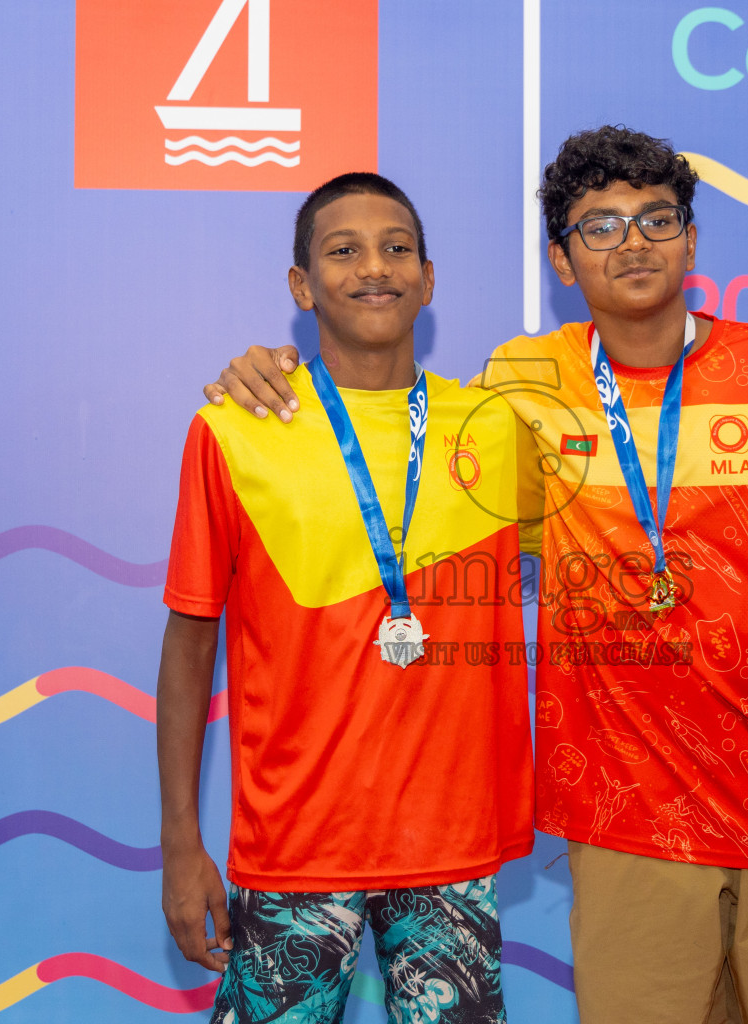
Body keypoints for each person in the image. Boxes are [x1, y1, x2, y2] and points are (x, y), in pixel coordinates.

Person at [208, 127, 748, 1024]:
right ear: (562, 262)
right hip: (627, 828)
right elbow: (387, 422)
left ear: (692, 239)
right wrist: (273, 372)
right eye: (600, 226)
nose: (634, 241)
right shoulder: (522, 387)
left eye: (657, 218)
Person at [157, 172, 533, 1024]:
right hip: (295, 845)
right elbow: (189, 643)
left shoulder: (497, 430)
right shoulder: (235, 430)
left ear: (429, 278)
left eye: (397, 247)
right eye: (344, 250)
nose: (376, 268)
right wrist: (182, 838)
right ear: (301, 286)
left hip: (450, 847)